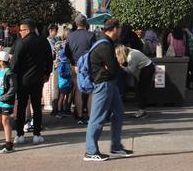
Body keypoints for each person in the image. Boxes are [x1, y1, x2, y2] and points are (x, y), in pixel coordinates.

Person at [84, 18, 133, 162]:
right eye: (120, 28)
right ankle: (91, 151)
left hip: (109, 83)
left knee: (118, 113)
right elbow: (113, 68)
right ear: (115, 28)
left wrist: (112, 66)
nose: (121, 31)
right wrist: (113, 66)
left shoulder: (106, 42)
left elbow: (112, 67)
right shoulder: (104, 45)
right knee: (97, 118)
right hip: (103, 84)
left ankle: (116, 147)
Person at [11, 19, 53, 144]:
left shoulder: (21, 43)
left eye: (22, 30)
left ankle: (20, 134)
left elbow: (14, 63)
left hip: (23, 80)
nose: (20, 33)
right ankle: (37, 134)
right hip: (38, 78)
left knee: (22, 106)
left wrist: (12, 75)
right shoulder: (43, 41)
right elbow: (49, 59)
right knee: (36, 107)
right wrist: (47, 73)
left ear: (28, 30)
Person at [64, 14, 95, 124]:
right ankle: (91, 116)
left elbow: (67, 52)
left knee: (78, 90)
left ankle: (80, 116)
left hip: (75, 65)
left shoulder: (70, 37)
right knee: (91, 91)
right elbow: (94, 52)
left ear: (76, 24)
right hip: (88, 65)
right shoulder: (91, 35)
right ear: (85, 23)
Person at [115, 45, 154, 118]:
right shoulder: (129, 50)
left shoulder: (131, 56)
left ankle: (142, 111)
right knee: (141, 89)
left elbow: (130, 71)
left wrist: (121, 66)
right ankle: (142, 110)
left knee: (141, 90)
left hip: (147, 69)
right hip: (146, 67)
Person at [0, 51, 16, 153]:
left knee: (5, 121)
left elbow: (13, 88)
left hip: (6, 101)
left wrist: (2, 98)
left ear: (2, 61)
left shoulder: (9, 73)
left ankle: (8, 144)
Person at [56, 49, 73, 118]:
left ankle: (65, 110)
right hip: (63, 83)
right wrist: (68, 75)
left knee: (66, 97)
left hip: (67, 83)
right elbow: (61, 74)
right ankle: (59, 111)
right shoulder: (62, 64)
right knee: (62, 97)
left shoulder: (66, 63)